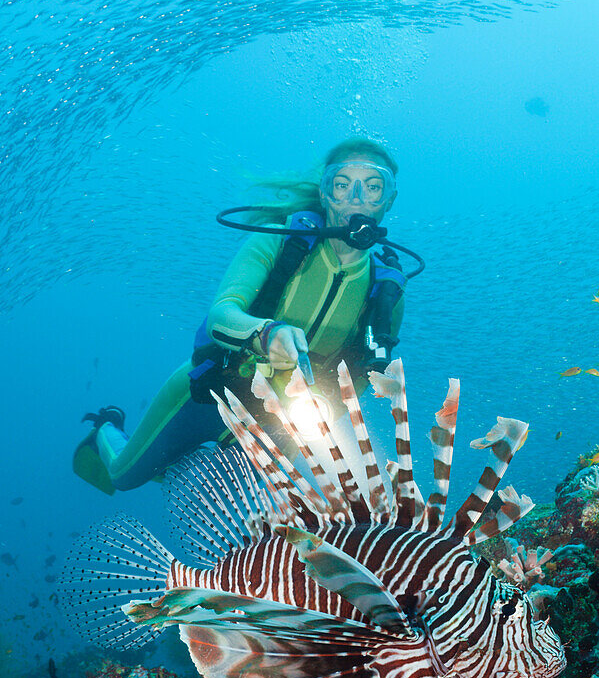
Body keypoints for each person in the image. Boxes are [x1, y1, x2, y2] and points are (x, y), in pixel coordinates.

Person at [74, 137, 406, 494]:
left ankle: (176, 459)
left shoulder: (386, 290)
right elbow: (220, 315)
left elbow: (364, 371)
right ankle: (106, 431)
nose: (356, 198)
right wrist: (265, 335)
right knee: (123, 477)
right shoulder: (282, 241)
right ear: (324, 194)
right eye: (341, 185)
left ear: (389, 199)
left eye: (373, 187)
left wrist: (327, 405)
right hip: (210, 389)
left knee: (255, 527)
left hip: (286, 422)